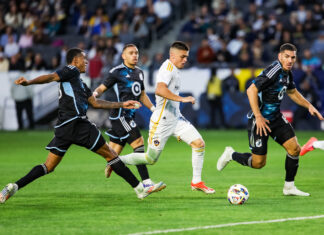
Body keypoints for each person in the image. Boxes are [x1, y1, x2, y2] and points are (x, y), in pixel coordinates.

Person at [0, 48, 164, 204]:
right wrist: (29, 82)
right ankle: (140, 188)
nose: (86, 62)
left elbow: (96, 102)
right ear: (75, 60)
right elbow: (51, 77)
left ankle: (14, 186)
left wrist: (122, 104)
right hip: (78, 124)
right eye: (84, 59)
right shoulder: (70, 70)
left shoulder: (80, 83)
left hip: (64, 128)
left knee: (48, 166)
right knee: (111, 155)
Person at [217, 43, 324, 196]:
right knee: (258, 163)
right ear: (280, 57)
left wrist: (309, 106)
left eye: (292, 57)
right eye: (286, 57)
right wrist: (259, 116)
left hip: (276, 118)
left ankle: (289, 187)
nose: (290, 60)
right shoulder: (273, 71)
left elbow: (292, 92)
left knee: (295, 149)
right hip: (259, 121)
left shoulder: (287, 73)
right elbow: (251, 90)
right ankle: (231, 155)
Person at [116, 41, 215, 194]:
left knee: (199, 143)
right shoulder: (167, 68)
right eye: (182, 57)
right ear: (173, 56)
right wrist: (182, 99)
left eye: (186, 57)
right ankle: (116, 161)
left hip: (176, 119)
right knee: (151, 159)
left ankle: (196, 182)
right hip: (162, 122)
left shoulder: (175, 69)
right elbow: (159, 90)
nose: (185, 60)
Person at [93, 44, 165, 191]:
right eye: (131, 53)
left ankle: (112, 163)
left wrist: (153, 109)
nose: (135, 55)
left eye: (136, 53)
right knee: (138, 143)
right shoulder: (116, 72)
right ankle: (147, 183)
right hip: (120, 115)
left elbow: (142, 95)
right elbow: (101, 88)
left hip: (129, 115)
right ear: (123, 56)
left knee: (113, 153)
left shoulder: (139, 72)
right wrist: (93, 95)